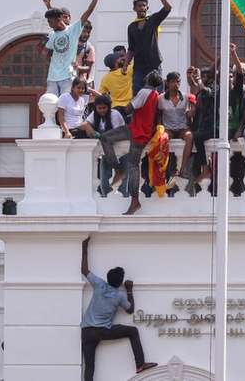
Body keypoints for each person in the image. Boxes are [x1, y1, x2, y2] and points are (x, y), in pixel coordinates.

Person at [80, 237, 157, 381]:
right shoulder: (119, 296)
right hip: (103, 331)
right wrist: (129, 290)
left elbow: (84, 270)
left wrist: (84, 247)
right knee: (133, 331)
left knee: (89, 366)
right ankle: (140, 364)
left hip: (86, 332)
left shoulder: (99, 284)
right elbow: (130, 310)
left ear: (107, 278)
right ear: (120, 282)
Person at [100, 71, 164, 215]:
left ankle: (119, 172)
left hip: (136, 131)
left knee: (105, 139)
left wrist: (125, 104)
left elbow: (129, 108)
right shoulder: (155, 94)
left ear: (148, 79)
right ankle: (133, 197)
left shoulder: (144, 92)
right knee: (134, 165)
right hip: (144, 131)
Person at [43, 0, 102, 96]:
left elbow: (88, 11)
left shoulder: (73, 30)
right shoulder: (52, 35)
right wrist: (48, 6)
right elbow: (46, 52)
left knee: (65, 104)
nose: (49, 25)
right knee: (50, 104)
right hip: (52, 77)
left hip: (68, 76)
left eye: (50, 22)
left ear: (59, 19)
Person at [124, 0, 172, 93]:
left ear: (147, 8)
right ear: (134, 8)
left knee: (156, 93)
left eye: (144, 6)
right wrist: (126, 65)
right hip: (139, 66)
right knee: (137, 92)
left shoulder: (152, 20)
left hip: (154, 64)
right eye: (139, 6)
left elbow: (168, 8)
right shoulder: (131, 26)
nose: (142, 8)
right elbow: (131, 49)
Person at [79, 95, 128, 197]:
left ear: (109, 107)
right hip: (106, 150)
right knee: (104, 182)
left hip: (120, 148)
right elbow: (83, 125)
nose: (102, 110)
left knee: (123, 185)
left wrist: (100, 135)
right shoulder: (95, 115)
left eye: (104, 108)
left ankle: (118, 171)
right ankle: (106, 198)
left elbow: (113, 134)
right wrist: (91, 130)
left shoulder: (115, 115)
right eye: (99, 108)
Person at [159, 72, 194, 179]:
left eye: (178, 81)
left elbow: (189, 115)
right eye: (173, 81)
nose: (176, 84)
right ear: (167, 83)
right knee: (162, 138)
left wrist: (192, 113)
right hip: (168, 128)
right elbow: (159, 115)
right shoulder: (161, 98)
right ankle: (162, 169)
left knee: (189, 136)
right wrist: (160, 127)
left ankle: (183, 169)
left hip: (182, 128)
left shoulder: (185, 97)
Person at [189, 66, 217, 186]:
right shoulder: (200, 90)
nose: (204, 78)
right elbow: (196, 89)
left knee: (198, 137)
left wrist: (199, 79)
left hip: (213, 126)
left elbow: (207, 92)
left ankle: (206, 169)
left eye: (206, 77)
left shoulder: (215, 87)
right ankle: (201, 169)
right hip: (202, 124)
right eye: (203, 76)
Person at [99, 53, 133, 119]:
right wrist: (126, 58)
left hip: (115, 108)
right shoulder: (127, 70)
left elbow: (102, 94)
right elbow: (136, 60)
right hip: (129, 106)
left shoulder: (105, 78)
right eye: (120, 59)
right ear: (116, 62)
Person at [227, 43, 245, 140]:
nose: (241, 77)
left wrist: (233, 54)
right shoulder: (222, 88)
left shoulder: (243, 91)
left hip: (235, 127)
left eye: (244, 75)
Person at [74, 21, 96, 88]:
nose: (86, 34)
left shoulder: (89, 48)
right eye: (83, 32)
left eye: (88, 32)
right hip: (68, 82)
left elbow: (89, 68)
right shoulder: (71, 45)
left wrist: (76, 68)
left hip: (82, 84)